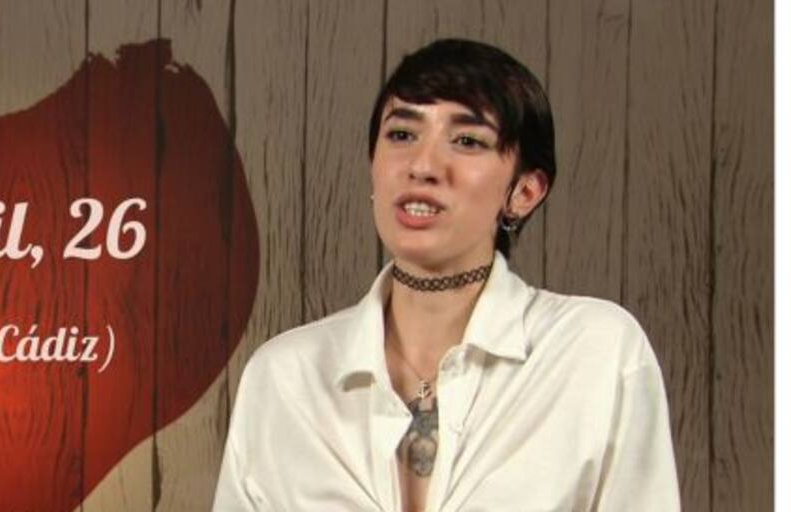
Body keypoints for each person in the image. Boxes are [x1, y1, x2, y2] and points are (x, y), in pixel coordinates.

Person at [213, 38, 679, 511]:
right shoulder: (284, 378)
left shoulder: (594, 352)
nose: (422, 166)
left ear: (524, 192)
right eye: (401, 135)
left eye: (467, 141)